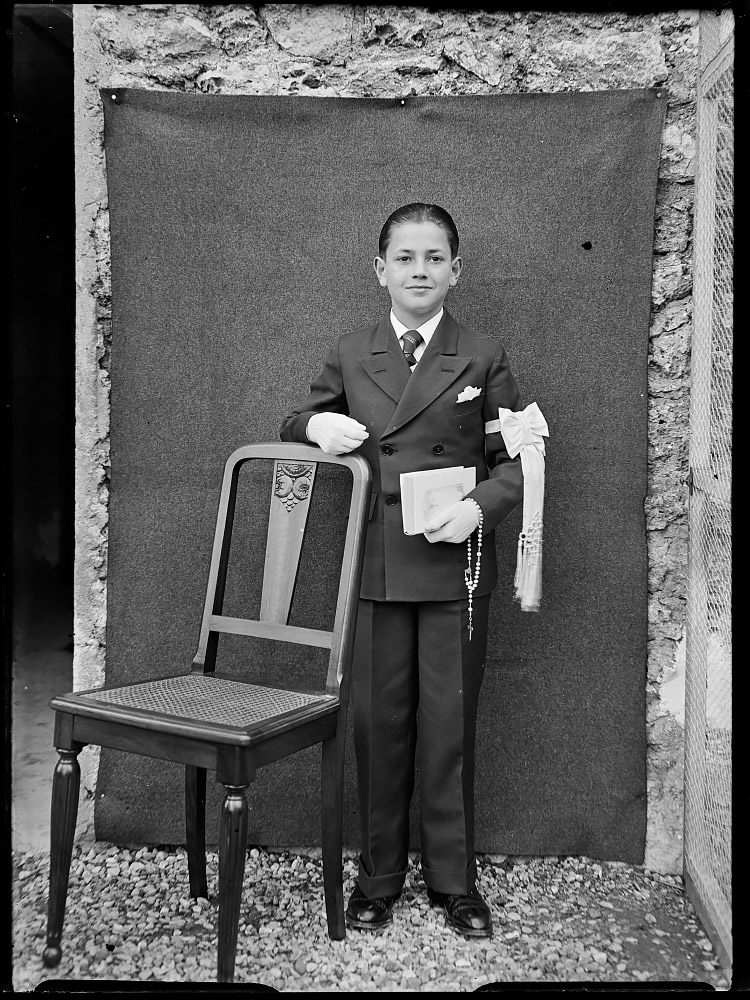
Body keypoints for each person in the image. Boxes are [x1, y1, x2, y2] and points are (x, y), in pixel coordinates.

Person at [279, 203, 524, 938]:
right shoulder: (352, 352)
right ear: (380, 269)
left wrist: (480, 507)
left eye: (435, 258)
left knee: (450, 726)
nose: (420, 271)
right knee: (378, 726)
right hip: (380, 567)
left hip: (456, 568)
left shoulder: (483, 354)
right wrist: (315, 425)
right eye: (406, 258)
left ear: (457, 270)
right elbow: (293, 423)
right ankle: (379, 876)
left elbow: (520, 461)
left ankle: (454, 880)